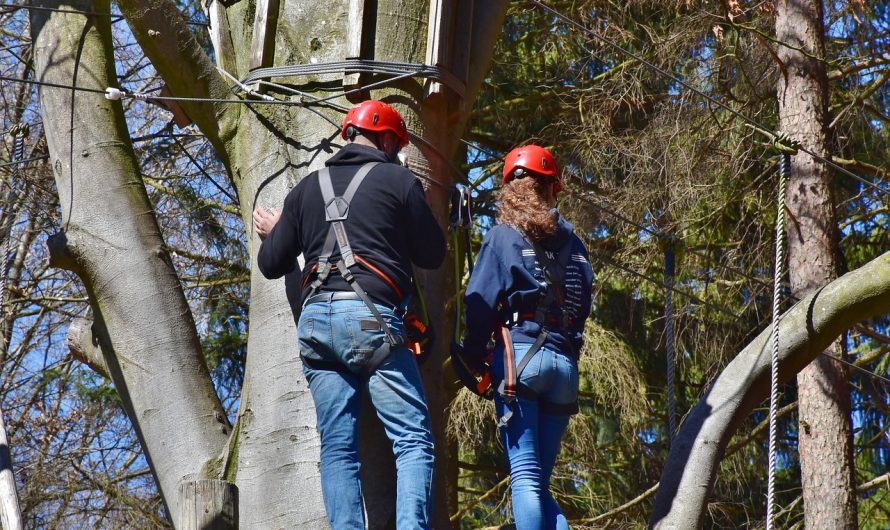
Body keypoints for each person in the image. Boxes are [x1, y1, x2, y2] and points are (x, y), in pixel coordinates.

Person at [253, 100, 446, 530]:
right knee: (414, 441)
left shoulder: (306, 189)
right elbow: (432, 254)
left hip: (316, 327)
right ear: (388, 140)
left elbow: (271, 263)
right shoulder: (399, 181)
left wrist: (277, 231)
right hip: (371, 320)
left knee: (337, 448)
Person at [459, 145, 593, 530]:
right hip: (564, 367)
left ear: (510, 189)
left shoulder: (503, 237)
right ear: (551, 189)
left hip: (522, 361)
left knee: (526, 478)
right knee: (539, 484)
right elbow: (583, 306)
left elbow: (479, 302)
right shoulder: (577, 248)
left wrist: (473, 354)